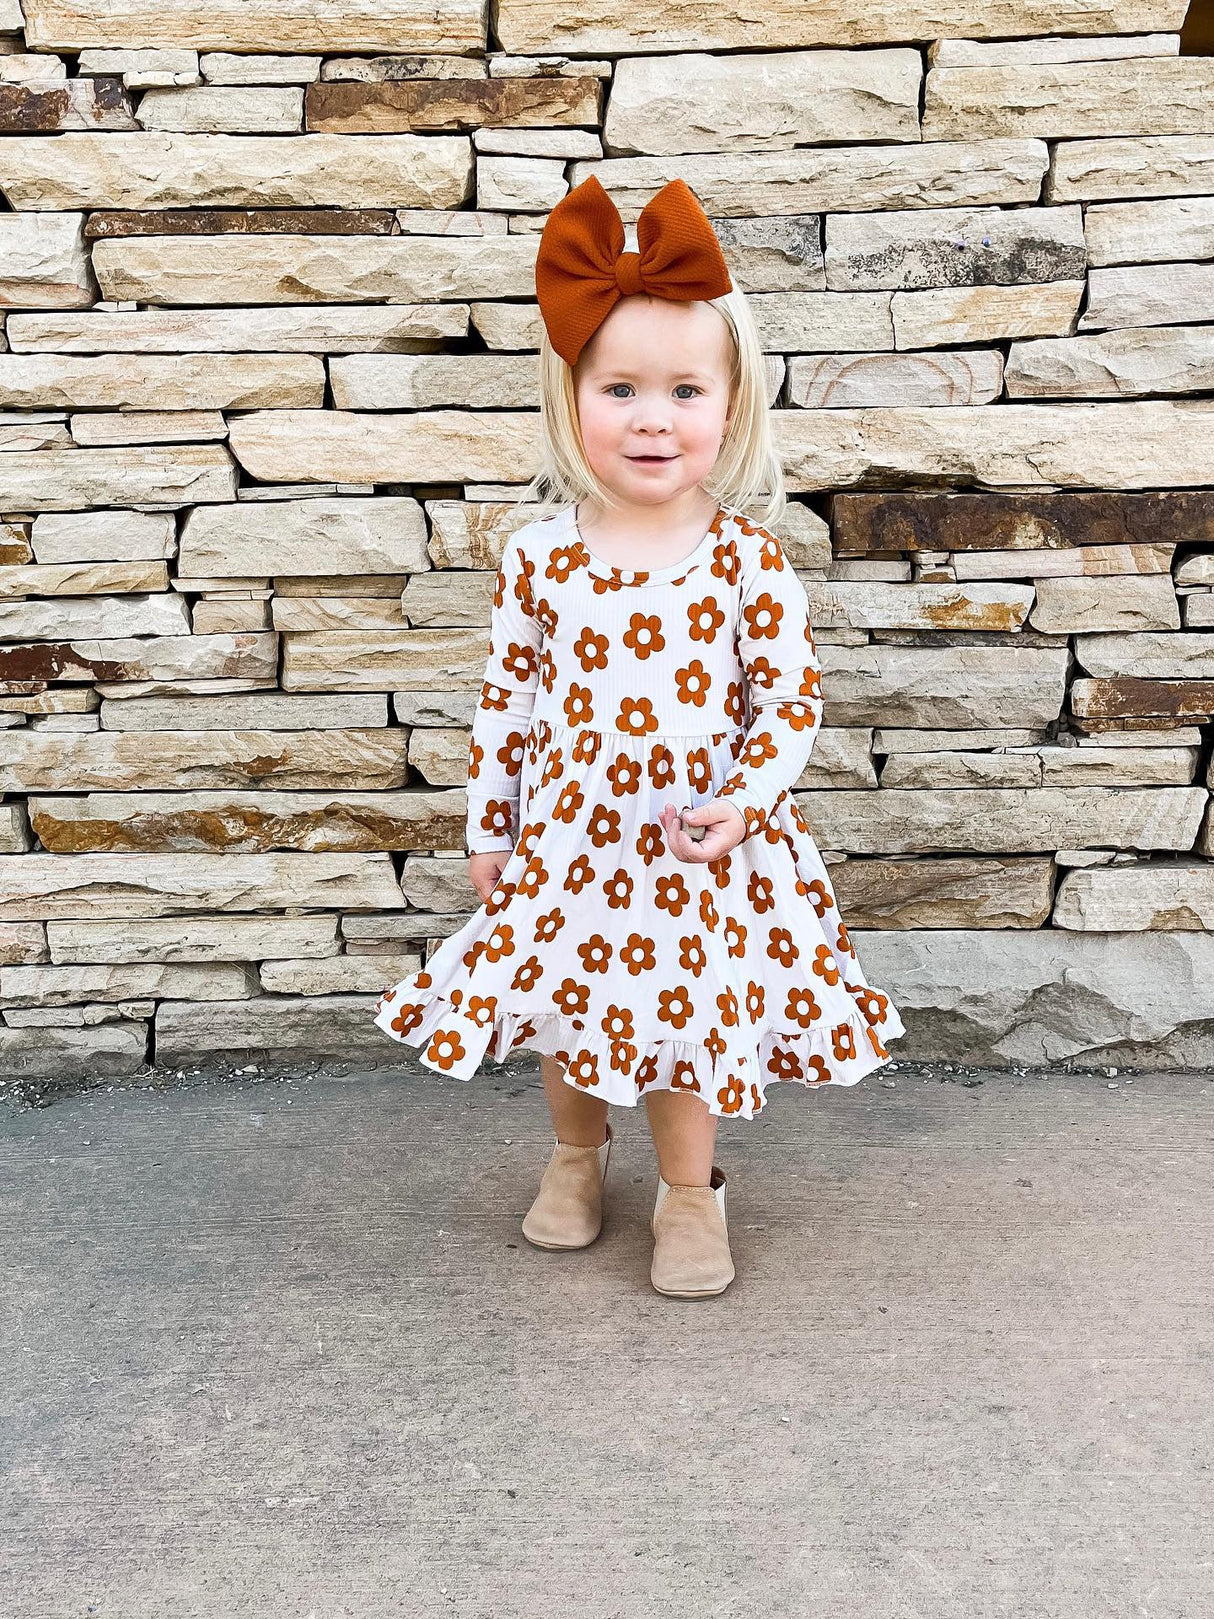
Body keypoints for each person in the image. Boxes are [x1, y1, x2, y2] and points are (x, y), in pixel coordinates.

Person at [375, 173, 906, 1299]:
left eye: (682, 390)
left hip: (692, 851)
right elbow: (506, 698)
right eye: (618, 388)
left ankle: (686, 1191)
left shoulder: (745, 562)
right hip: (569, 843)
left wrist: (747, 799)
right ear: (570, 400)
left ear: (731, 405)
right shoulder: (541, 556)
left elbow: (787, 702)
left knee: (681, 1026)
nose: (652, 417)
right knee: (568, 1013)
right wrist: (490, 823)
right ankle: (576, 1156)